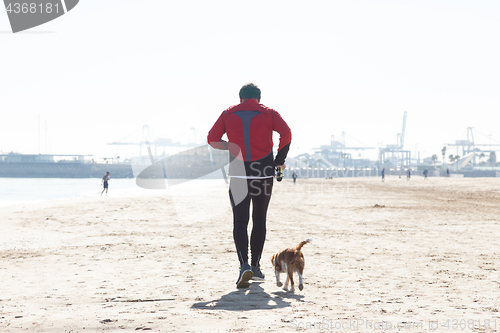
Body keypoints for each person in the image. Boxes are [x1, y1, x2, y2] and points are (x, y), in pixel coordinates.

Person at [207, 83, 291, 288]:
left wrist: (230, 146)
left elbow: (212, 139)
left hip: (238, 174)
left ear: (240, 98)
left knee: (240, 222)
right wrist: (279, 160)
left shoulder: (228, 113)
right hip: (263, 174)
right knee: (259, 219)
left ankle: (243, 265)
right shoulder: (269, 113)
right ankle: (255, 266)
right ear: (259, 98)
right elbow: (286, 134)